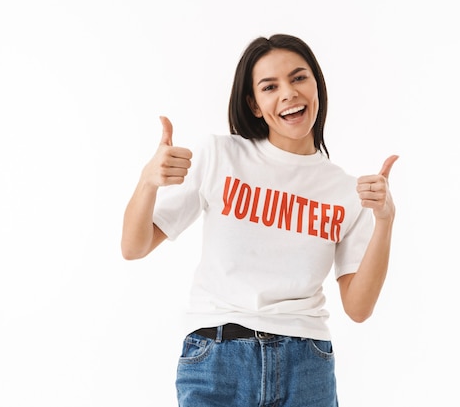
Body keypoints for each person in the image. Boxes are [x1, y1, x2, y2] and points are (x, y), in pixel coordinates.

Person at [121, 33, 398, 407]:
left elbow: (359, 308)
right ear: (253, 104)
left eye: (299, 78)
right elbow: (134, 246)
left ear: (317, 84)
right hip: (217, 358)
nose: (288, 93)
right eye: (270, 86)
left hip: (306, 366)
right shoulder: (219, 155)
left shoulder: (346, 191)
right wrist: (148, 181)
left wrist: (384, 220)